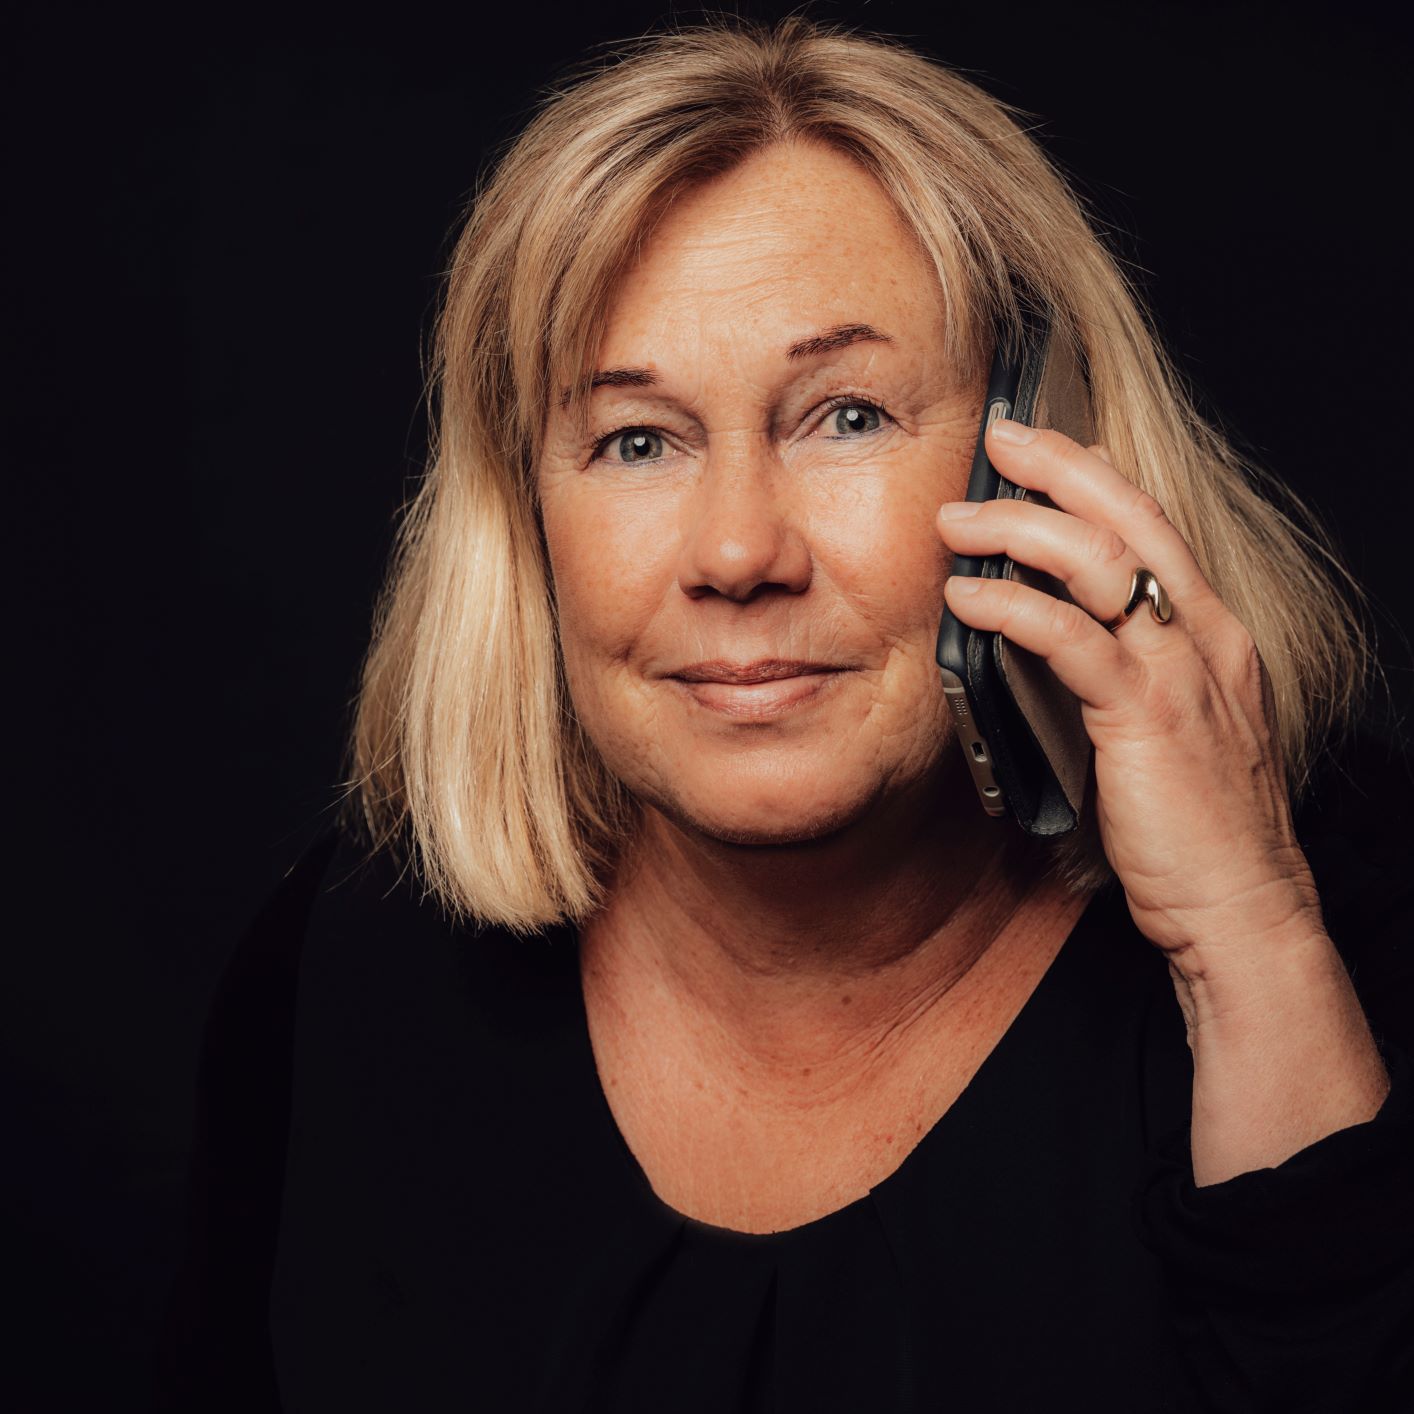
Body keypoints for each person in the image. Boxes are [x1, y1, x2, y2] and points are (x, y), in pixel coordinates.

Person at [154, 16, 1414, 1412]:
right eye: (637, 440)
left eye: (847, 416)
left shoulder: (1341, 931)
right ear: (527, 520)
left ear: (1044, 446)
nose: (740, 552)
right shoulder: (339, 977)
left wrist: (1246, 931)